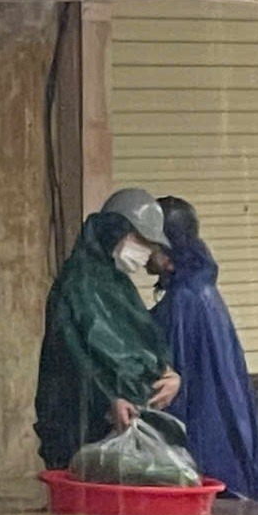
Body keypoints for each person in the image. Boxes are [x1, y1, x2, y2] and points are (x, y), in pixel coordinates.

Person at [35, 185, 182, 472]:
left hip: (130, 421)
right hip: (83, 428)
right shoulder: (76, 285)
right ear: (113, 229)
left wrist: (168, 373)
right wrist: (107, 398)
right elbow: (72, 357)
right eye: (140, 239)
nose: (146, 252)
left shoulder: (118, 285)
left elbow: (144, 338)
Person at [153, 195, 258, 501]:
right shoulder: (202, 289)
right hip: (228, 428)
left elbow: (174, 376)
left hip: (206, 436)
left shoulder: (184, 300)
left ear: (166, 248)